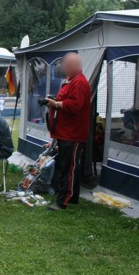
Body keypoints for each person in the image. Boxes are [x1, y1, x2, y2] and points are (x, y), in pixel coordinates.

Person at [45, 52, 91, 211]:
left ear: (72, 66)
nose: (63, 67)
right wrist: (55, 103)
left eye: (66, 64)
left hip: (73, 134)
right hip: (65, 132)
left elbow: (74, 106)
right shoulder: (71, 81)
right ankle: (71, 196)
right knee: (66, 166)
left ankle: (62, 201)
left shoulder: (79, 83)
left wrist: (56, 104)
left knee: (69, 167)